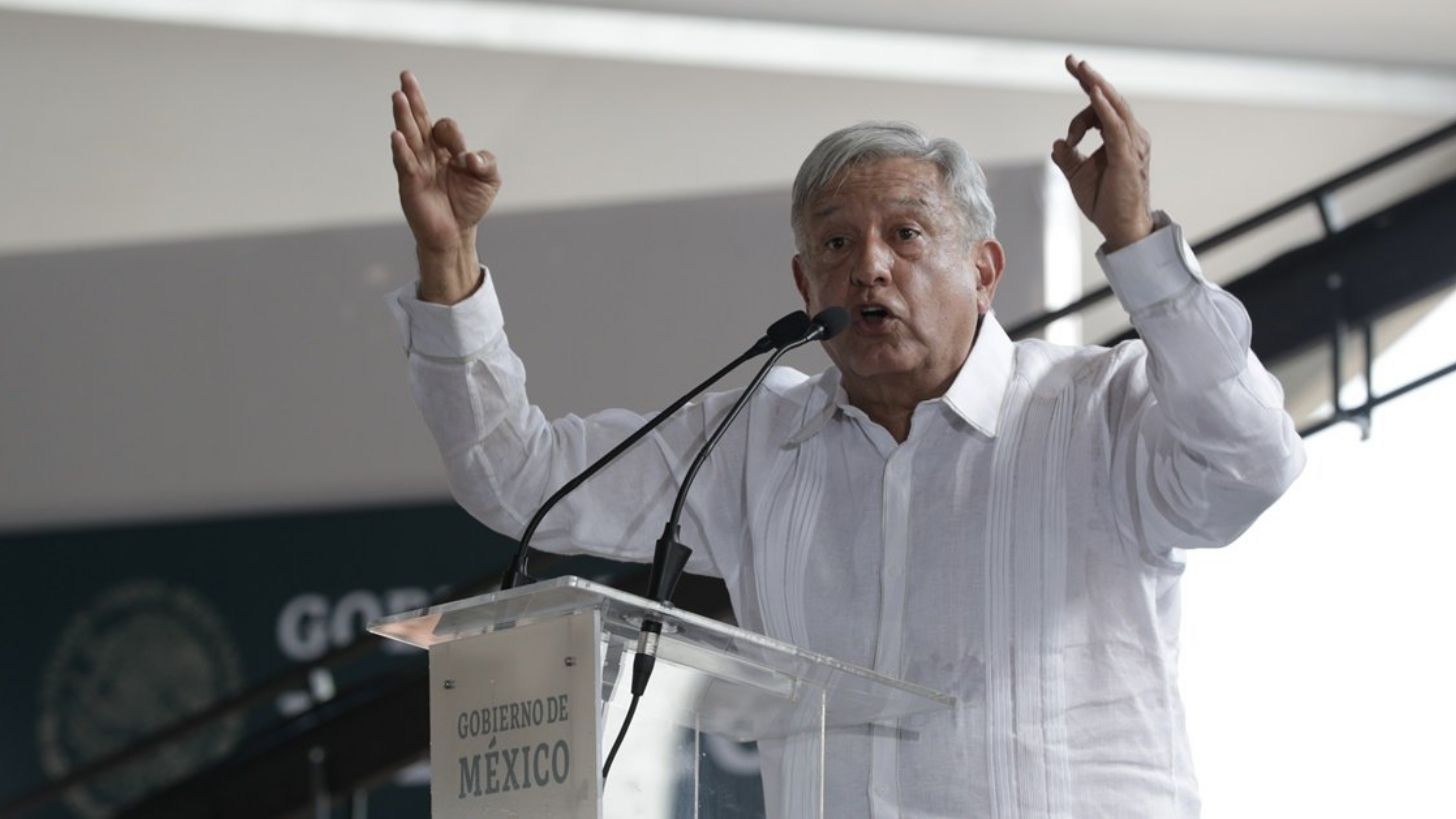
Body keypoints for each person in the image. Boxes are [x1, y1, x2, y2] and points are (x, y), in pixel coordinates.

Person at [386, 56, 1305, 817]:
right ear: (804, 284)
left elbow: (1254, 461)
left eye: (906, 234)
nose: (868, 265)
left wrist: (1136, 242)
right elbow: (516, 477)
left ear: (984, 271)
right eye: (835, 244)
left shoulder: (1097, 410)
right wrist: (447, 255)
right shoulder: (752, 438)